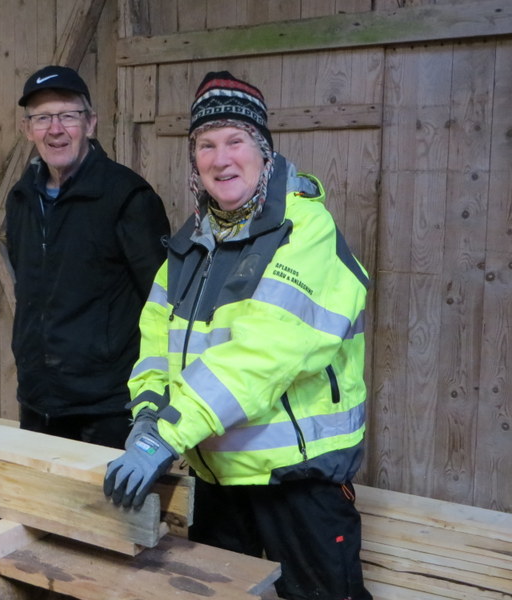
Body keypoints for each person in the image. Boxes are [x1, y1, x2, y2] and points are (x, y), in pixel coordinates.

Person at [103, 71, 372, 600]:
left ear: (264, 151)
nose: (220, 158)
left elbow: (264, 353)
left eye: (235, 141)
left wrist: (167, 436)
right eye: (206, 144)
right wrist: (148, 416)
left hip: (297, 480)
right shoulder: (190, 243)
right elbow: (155, 344)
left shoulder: (304, 230)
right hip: (217, 477)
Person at [5, 65, 170, 449]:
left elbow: (163, 302)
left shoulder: (127, 197)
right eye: (42, 118)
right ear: (27, 129)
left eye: (67, 115)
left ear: (91, 123)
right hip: (38, 399)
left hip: (106, 406)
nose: (55, 129)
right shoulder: (21, 199)